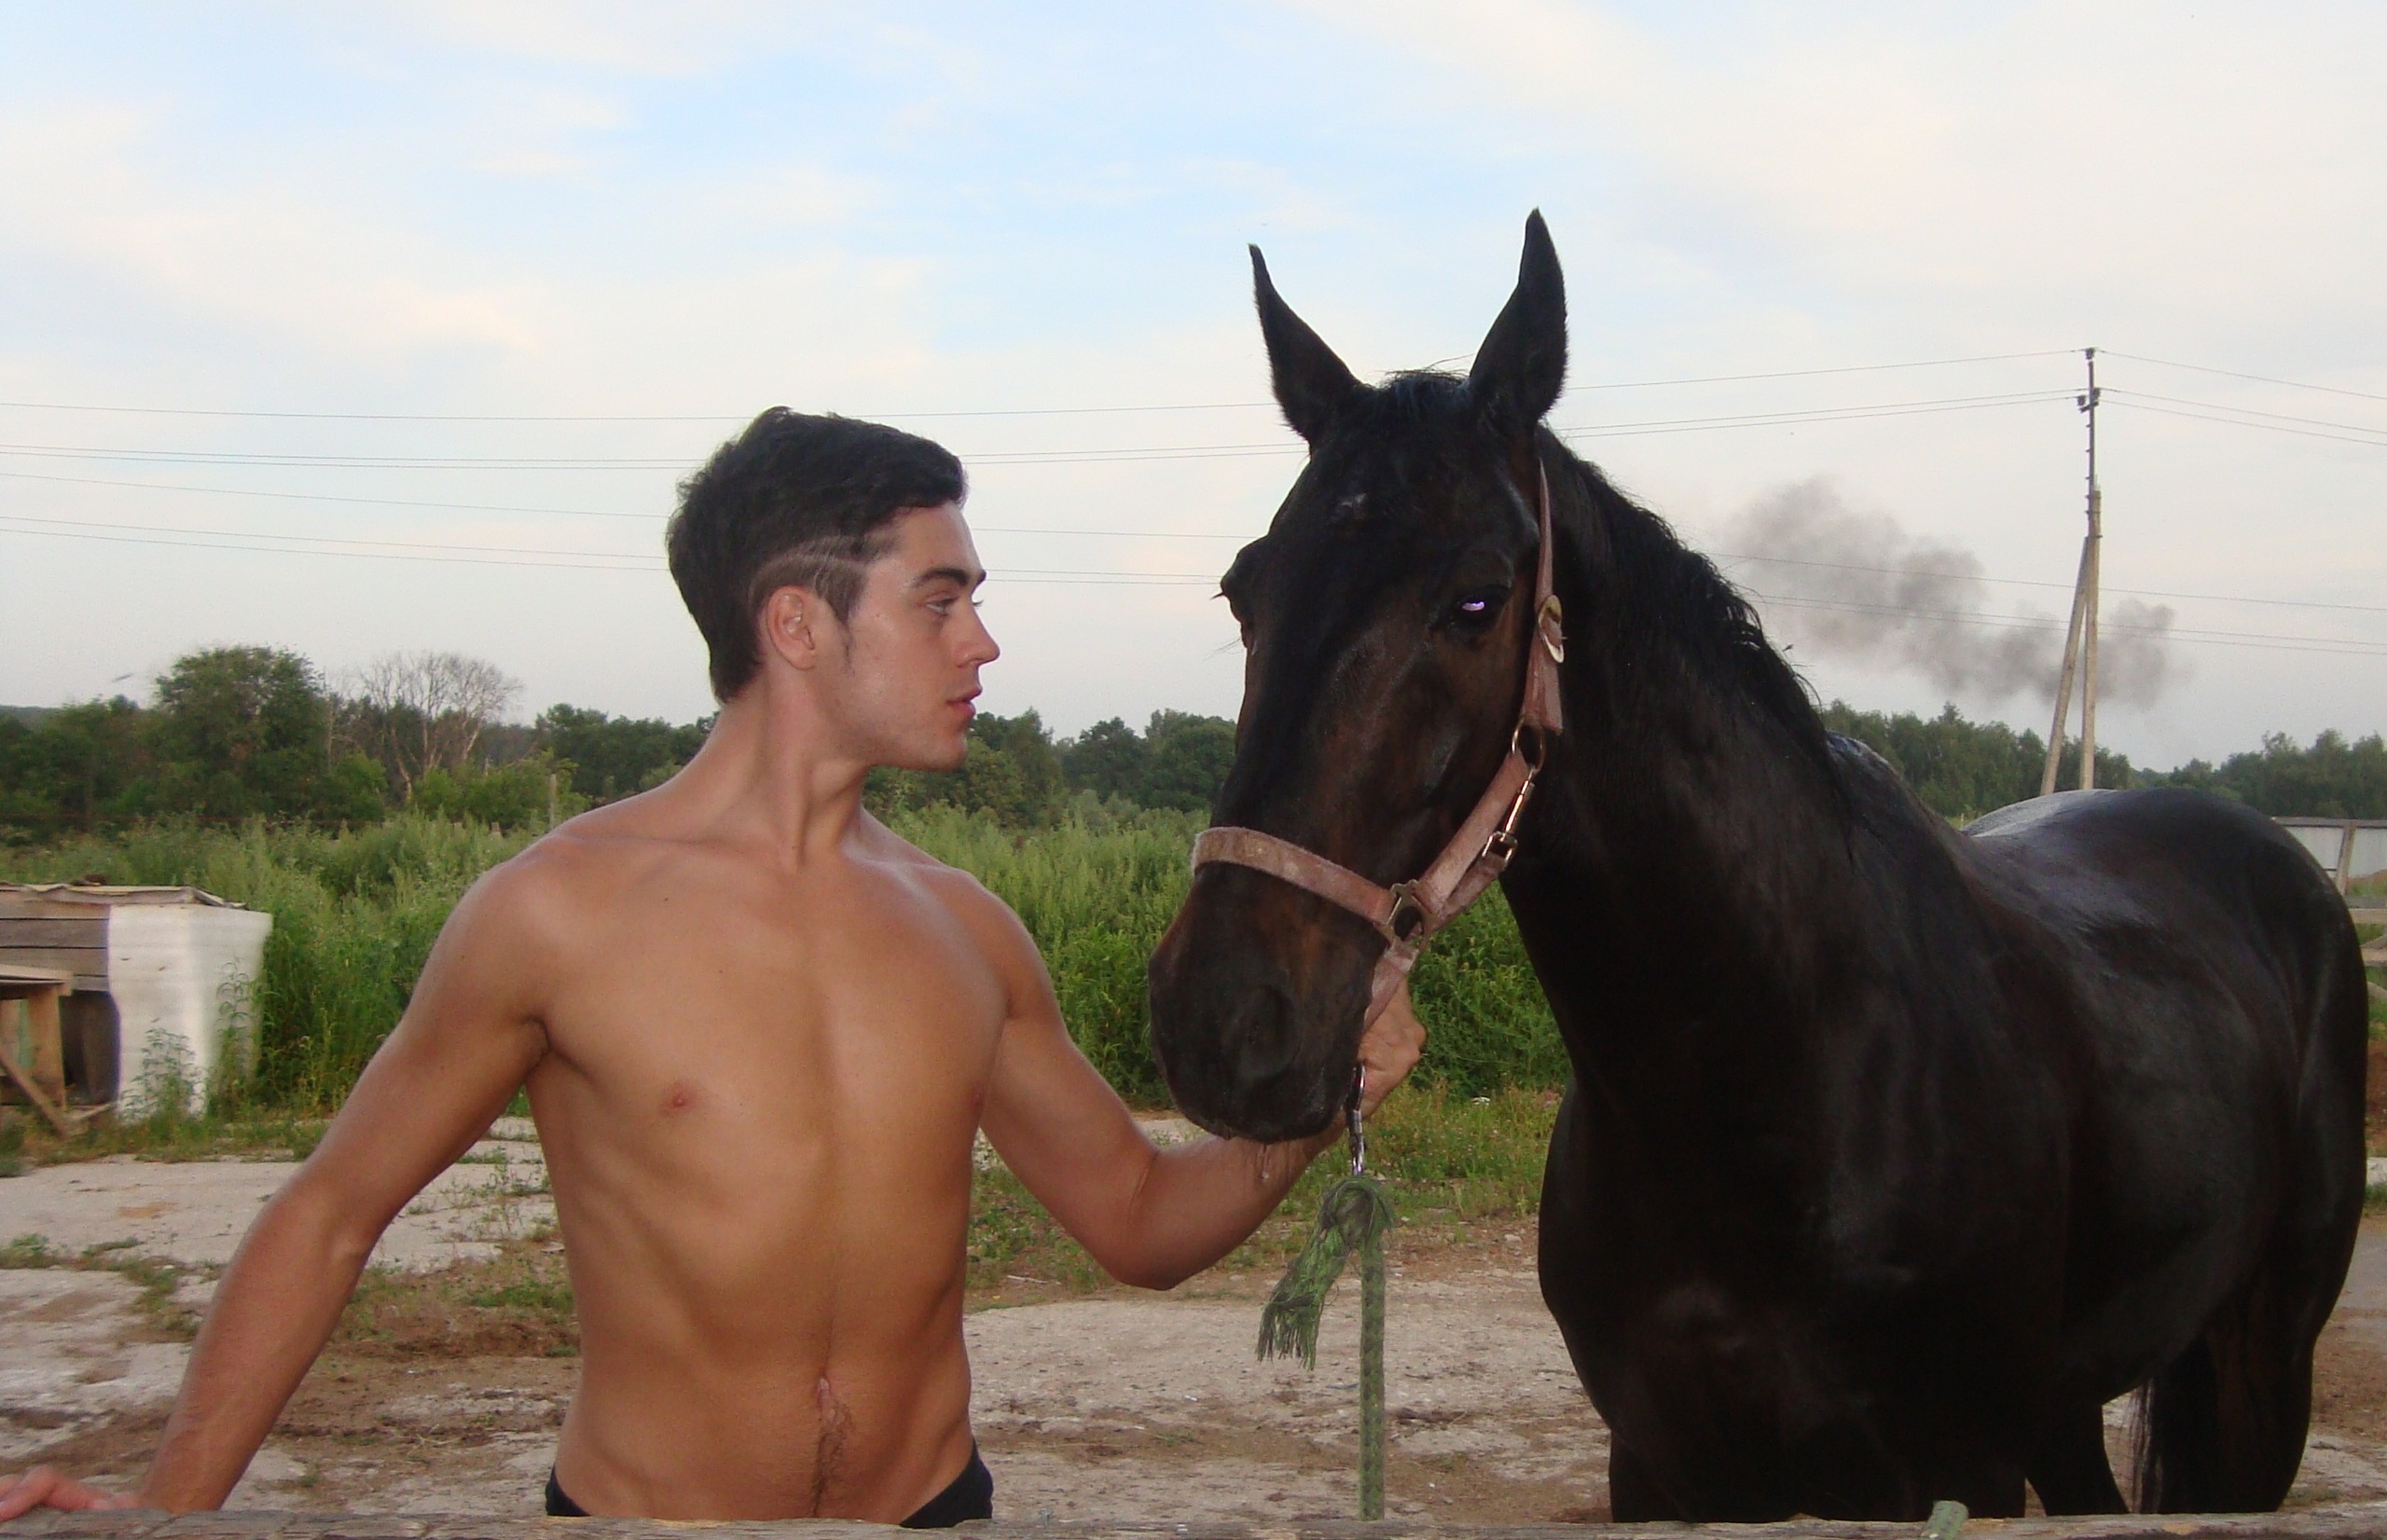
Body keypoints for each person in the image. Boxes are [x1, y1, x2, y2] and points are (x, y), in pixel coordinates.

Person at [0, 410, 1423, 1527]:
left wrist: (1322, 1102)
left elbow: (1138, 1220)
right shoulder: (555, 916)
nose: (983, 642)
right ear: (795, 624)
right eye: (940, 601)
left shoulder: (966, 930)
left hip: (932, 1516)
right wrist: (167, 1515)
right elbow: (328, 1215)